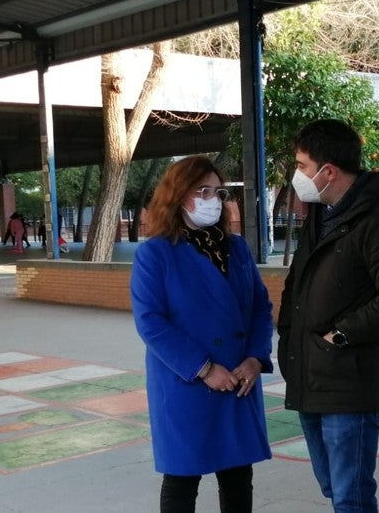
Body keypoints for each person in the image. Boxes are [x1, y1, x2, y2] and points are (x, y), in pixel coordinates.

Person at [277, 119, 379, 513]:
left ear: (328, 171)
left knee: (350, 495)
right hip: (309, 375)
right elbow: (297, 285)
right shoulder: (321, 216)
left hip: (350, 380)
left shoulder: (378, 219)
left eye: (303, 165)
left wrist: (340, 335)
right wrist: (287, 337)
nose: (298, 175)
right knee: (334, 487)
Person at [130, 155, 274, 513]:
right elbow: (150, 322)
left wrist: (256, 358)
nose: (213, 199)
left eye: (218, 191)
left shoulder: (236, 247)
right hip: (187, 382)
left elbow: (260, 307)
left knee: (238, 476)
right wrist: (205, 369)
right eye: (202, 191)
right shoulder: (156, 254)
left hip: (239, 378)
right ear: (178, 196)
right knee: (182, 479)